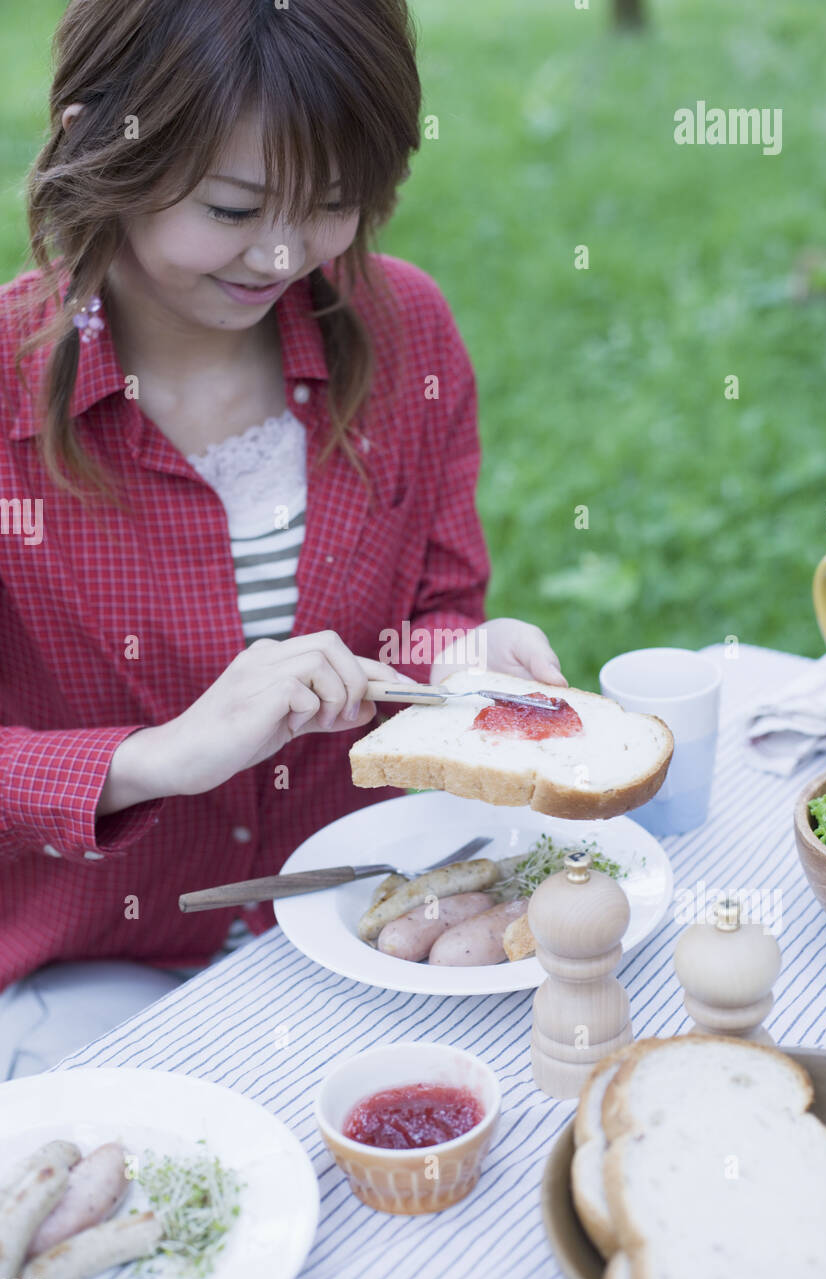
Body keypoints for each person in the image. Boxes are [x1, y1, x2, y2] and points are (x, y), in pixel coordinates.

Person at [0, 0, 567, 1079]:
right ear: (95, 142)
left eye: (333, 204)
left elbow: (430, 616)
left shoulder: (406, 329)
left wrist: (461, 658)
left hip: (363, 910)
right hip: (89, 958)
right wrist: (158, 756)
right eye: (231, 207)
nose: (280, 255)